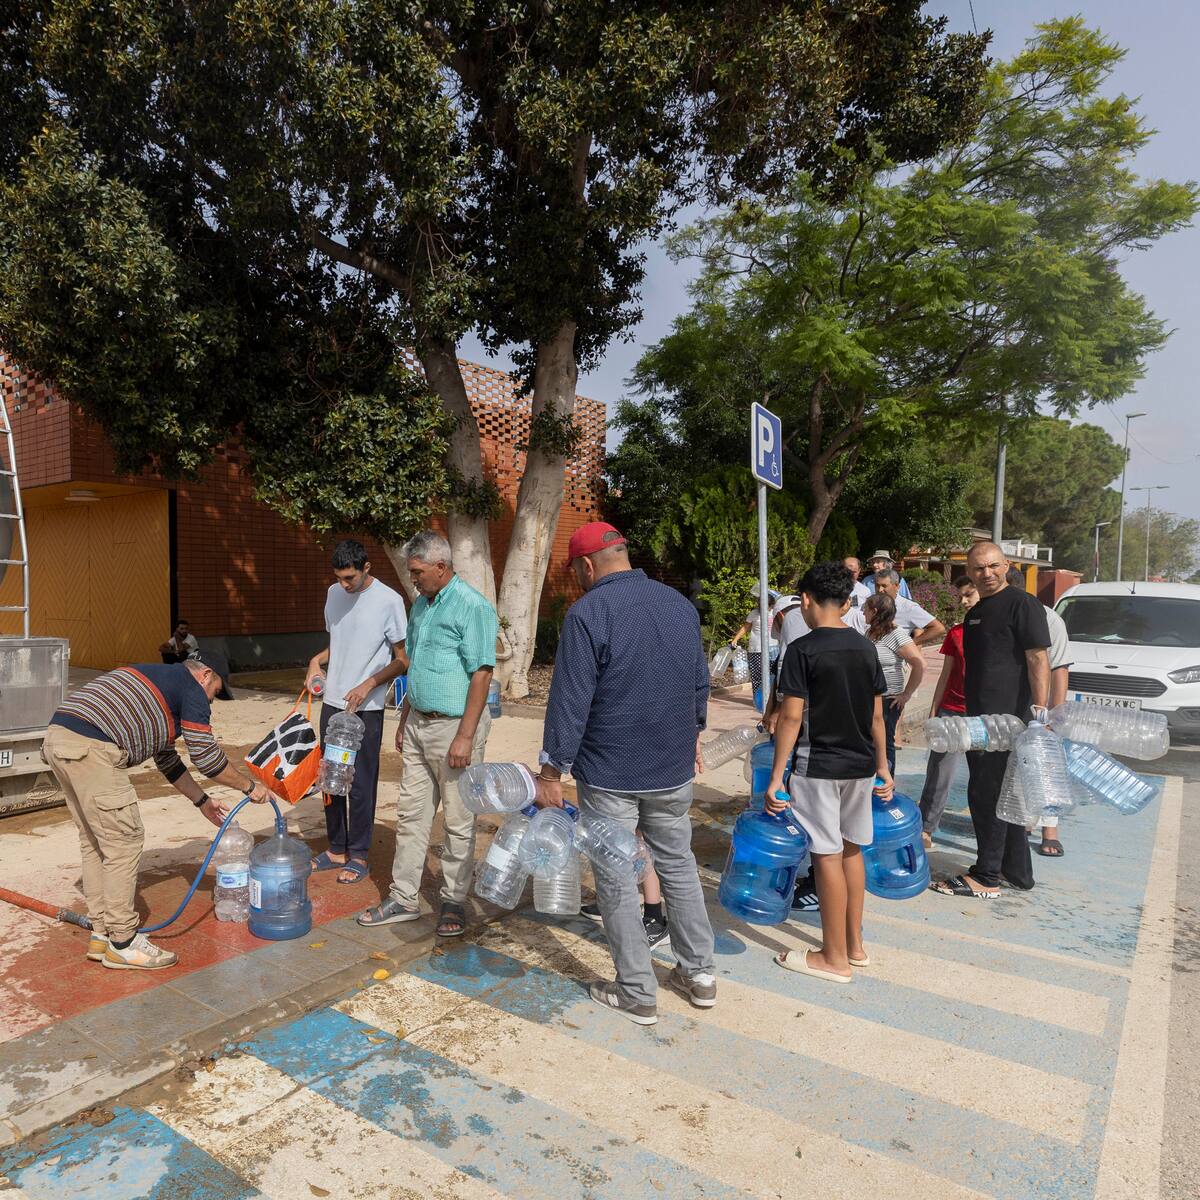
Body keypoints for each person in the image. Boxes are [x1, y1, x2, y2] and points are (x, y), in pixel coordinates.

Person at [535, 521, 715, 1026]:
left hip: (612, 771)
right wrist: (693, 733)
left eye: (576, 572)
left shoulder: (589, 612)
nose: (577, 581)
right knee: (678, 865)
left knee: (616, 878)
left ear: (587, 566)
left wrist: (551, 770)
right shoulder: (678, 605)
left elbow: (570, 702)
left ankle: (637, 991)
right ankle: (699, 975)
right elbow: (699, 683)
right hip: (672, 768)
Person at [41, 652, 271, 969]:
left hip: (59, 739)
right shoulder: (190, 687)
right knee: (125, 838)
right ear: (205, 675)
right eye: (216, 690)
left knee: (96, 842)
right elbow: (206, 757)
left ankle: (102, 934)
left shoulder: (161, 687)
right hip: (93, 745)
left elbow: (168, 761)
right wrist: (250, 787)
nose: (212, 702)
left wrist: (202, 802)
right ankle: (123, 942)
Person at [359, 530, 497, 937]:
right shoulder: (420, 605)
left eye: (418, 571)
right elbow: (414, 664)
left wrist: (465, 737)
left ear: (441, 567)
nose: (413, 578)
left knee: (457, 819)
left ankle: (454, 900)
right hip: (419, 722)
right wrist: (405, 718)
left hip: (456, 727)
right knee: (411, 815)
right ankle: (403, 897)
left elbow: (482, 675)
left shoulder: (473, 607)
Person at [766, 561, 893, 983]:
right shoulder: (866, 647)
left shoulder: (803, 650)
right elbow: (877, 717)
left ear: (806, 599)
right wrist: (883, 767)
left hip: (817, 767)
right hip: (860, 767)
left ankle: (833, 958)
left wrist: (776, 776)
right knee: (852, 849)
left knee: (826, 856)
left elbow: (790, 718)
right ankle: (854, 947)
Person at [932, 542, 1050, 899]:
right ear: (969, 570)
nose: (986, 573)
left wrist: (1040, 714)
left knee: (987, 796)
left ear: (1006, 565)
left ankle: (986, 877)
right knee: (1003, 795)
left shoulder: (1023, 604)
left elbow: (1038, 659)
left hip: (1007, 723)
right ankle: (1015, 870)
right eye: (979, 568)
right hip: (978, 720)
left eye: (993, 566)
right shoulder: (977, 612)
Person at [305, 539, 408, 885]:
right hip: (333, 703)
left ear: (367, 568)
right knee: (330, 778)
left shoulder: (389, 600)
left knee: (361, 783)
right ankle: (336, 848)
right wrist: (315, 661)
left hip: (367, 708)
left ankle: (360, 854)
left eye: (350, 578)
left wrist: (369, 684)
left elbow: (403, 659)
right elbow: (339, 643)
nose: (344, 585)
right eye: (339, 578)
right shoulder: (333, 594)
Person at [1001, 567, 1073, 858]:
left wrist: (1053, 717)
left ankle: (1050, 830)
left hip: (1039, 710)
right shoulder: (998, 614)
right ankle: (1023, 822)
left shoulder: (1048, 618)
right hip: (1009, 706)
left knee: (1045, 768)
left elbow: (1059, 668)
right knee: (1014, 768)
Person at [918, 576, 979, 846]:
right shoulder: (957, 634)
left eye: (969, 595)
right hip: (952, 710)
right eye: (961, 596)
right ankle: (926, 827)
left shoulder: (1001, 632)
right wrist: (934, 710)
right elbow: (945, 674)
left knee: (985, 777)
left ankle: (989, 831)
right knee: (940, 773)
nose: (964, 601)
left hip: (985, 716)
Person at [862, 593, 925, 775]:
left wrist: (906, 694)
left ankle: (887, 783)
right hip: (871, 697)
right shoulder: (870, 633)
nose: (863, 612)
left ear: (874, 611)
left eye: (865, 608)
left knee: (884, 742)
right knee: (871, 741)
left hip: (888, 699)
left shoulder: (896, 635)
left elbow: (920, 664)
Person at [729, 583, 780, 709]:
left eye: (767, 606)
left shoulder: (775, 613)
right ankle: (758, 702)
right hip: (756, 649)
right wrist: (735, 639)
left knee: (772, 676)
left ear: (771, 604)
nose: (765, 608)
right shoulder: (754, 613)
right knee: (757, 676)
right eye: (762, 605)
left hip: (773, 648)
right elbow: (746, 627)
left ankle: (771, 701)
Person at [872, 568, 946, 646]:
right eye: (877, 586)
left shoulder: (908, 607)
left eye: (884, 586)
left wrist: (910, 645)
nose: (880, 590)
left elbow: (938, 628)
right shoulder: (871, 604)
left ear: (896, 586)